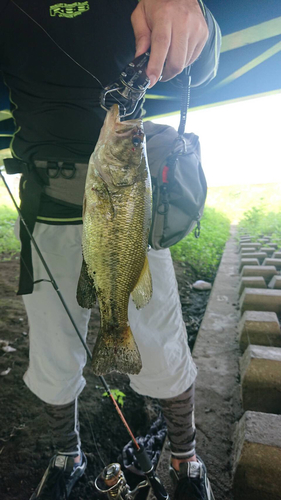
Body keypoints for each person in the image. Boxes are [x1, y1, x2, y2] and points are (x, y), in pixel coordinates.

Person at [0, 1, 221, 499]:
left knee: (163, 343)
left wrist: (195, 14)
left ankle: (186, 460)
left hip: (125, 210)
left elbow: (202, 64)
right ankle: (67, 453)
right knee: (52, 352)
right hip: (46, 204)